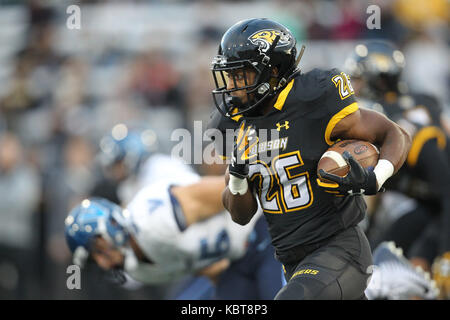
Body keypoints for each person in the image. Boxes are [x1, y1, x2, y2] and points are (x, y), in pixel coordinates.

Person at [208, 18, 411, 300]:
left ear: (273, 71)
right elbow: (240, 215)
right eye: (229, 76)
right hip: (292, 262)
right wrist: (239, 177)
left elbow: (394, 133)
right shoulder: (231, 124)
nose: (232, 86)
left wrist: (376, 176)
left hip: (339, 248)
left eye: (241, 75)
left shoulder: (314, 97)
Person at [344, 40, 450, 299]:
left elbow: (447, 189)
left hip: (443, 203)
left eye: (358, 80)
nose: (353, 87)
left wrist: (447, 252)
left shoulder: (404, 130)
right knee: (380, 260)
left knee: (423, 272)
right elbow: (377, 191)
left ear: (377, 79)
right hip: (430, 206)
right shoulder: (412, 105)